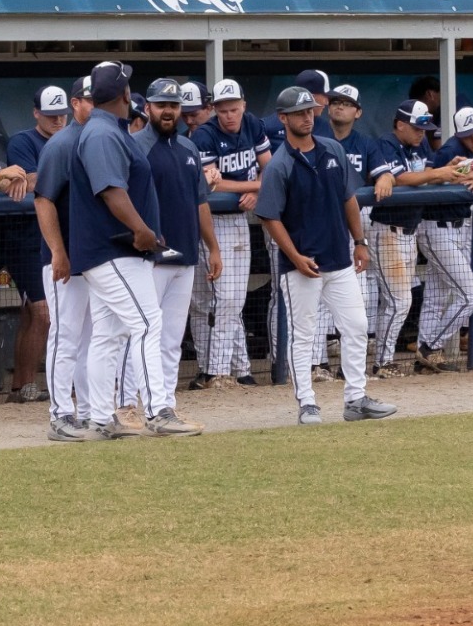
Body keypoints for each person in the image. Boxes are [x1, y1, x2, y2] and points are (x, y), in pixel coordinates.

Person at [257, 85, 397, 425]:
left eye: (309, 111)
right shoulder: (279, 165)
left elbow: (348, 198)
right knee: (304, 335)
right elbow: (269, 217)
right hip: (301, 265)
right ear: (283, 118)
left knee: (357, 326)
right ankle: (307, 402)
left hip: (339, 258)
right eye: (299, 113)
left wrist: (359, 242)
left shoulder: (332, 148)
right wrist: (295, 256)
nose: (307, 117)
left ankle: (356, 398)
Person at [69, 62, 167, 439]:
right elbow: (111, 190)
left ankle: (98, 418)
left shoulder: (108, 129)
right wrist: (140, 229)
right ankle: (159, 410)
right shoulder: (100, 133)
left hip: (111, 250)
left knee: (108, 337)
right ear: (126, 94)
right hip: (113, 249)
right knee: (147, 324)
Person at [131, 78, 216, 435]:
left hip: (184, 255)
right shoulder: (135, 147)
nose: (168, 111)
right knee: (141, 334)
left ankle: (165, 406)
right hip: (148, 259)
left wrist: (213, 247)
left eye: (174, 106)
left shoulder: (188, 147)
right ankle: (131, 405)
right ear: (147, 108)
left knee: (170, 339)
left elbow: (200, 202)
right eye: (161, 105)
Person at [366, 100, 461, 376]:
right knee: (398, 302)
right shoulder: (385, 144)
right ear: (400, 124)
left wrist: (449, 169)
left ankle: (383, 361)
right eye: (417, 128)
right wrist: (437, 173)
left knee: (396, 302)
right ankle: (382, 362)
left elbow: (428, 175)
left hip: (410, 232)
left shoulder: (419, 145)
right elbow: (403, 178)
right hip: (388, 231)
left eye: (424, 129)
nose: (422, 134)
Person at [189, 78, 273, 387]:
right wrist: (256, 187)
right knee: (221, 300)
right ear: (214, 110)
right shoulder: (204, 135)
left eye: (234, 109)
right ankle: (214, 371)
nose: (229, 116)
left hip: (240, 220)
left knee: (234, 300)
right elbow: (213, 185)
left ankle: (240, 370)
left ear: (243, 106)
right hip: (214, 221)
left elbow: (271, 168)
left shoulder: (252, 124)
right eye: (223, 110)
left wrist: (257, 189)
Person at [0, 85, 72, 404]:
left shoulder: (72, 138)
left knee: (35, 314)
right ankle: (26, 384)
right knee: (42, 313)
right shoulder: (24, 140)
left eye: (61, 115)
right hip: (25, 238)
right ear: (36, 113)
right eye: (51, 116)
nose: (58, 121)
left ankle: (20, 386)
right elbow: (28, 183)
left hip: (57, 237)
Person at [33, 76, 95, 441]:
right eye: (89, 99)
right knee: (66, 335)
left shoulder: (102, 137)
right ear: (76, 104)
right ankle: (61, 413)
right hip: (64, 258)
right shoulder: (61, 143)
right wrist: (58, 252)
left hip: (95, 257)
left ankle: (89, 412)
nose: (94, 105)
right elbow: (43, 200)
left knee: (93, 338)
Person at [419, 107, 473, 367]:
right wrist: (466, 174)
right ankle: (430, 347)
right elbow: (427, 182)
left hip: (462, 228)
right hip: (436, 227)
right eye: (469, 136)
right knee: (472, 295)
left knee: (436, 298)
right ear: (459, 135)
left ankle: (425, 360)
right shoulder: (448, 150)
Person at [309, 83, 379, 381]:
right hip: (321, 219)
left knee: (356, 301)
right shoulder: (316, 139)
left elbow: (382, 171)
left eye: (346, 103)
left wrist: (386, 176)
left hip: (354, 221)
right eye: (335, 101)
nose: (339, 106)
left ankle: (350, 372)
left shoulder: (365, 143)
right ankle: (316, 365)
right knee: (317, 297)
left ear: (358, 112)